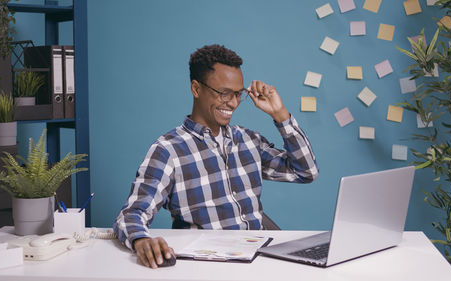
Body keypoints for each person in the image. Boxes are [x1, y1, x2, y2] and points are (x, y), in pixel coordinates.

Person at [113, 44, 319, 268]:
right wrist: (141, 240)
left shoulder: (248, 140)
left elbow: (305, 171)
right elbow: (132, 214)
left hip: (261, 262)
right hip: (207, 267)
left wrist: (279, 113)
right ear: (196, 88)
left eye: (238, 94)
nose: (232, 103)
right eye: (223, 93)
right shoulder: (168, 150)